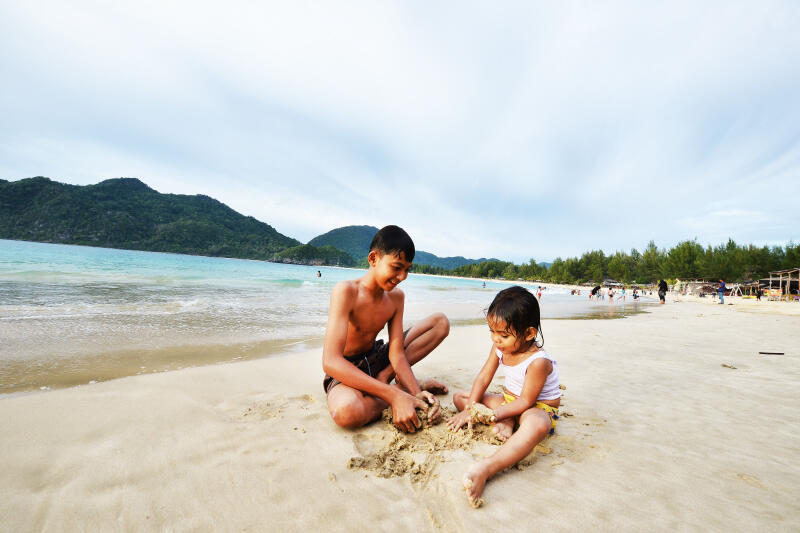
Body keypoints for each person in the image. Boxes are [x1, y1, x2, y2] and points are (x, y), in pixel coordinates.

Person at [322, 225, 450, 433]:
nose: (402, 277)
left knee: (440, 322)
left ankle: (401, 387)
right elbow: (330, 362)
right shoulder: (346, 292)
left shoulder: (396, 297)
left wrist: (417, 393)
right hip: (346, 369)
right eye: (396, 267)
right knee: (346, 413)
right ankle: (397, 390)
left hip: (379, 361)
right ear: (373, 259)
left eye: (407, 269)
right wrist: (394, 395)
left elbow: (397, 354)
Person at [447, 286, 560, 507]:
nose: (496, 339)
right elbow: (483, 378)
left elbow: (527, 401)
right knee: (461, 397)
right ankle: (508, 421)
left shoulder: (538, 362)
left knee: (537, 425)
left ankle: (487, 468)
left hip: (537, 408)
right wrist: (470, 409)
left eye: (504, 335)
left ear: (529, 333)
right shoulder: (499, 347)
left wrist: (494, 415)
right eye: (492, 331)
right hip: (509, 402)